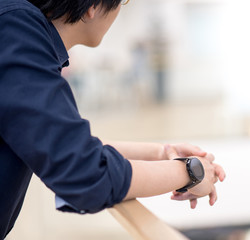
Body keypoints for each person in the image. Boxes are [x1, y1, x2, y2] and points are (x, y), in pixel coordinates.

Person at [0, 0, 226, 238]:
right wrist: (190, 172)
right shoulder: (15, 29)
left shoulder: (15, 27)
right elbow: (84, 172)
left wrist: (163, 152)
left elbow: (63, 143)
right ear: (93, 7)